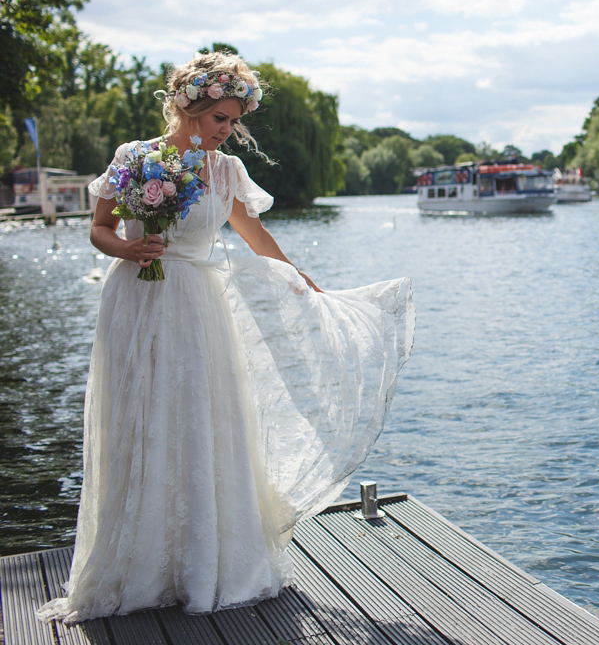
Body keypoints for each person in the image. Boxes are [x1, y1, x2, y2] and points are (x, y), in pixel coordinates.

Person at [38, 51, 414, 623]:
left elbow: (249, 230)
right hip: (136, 298)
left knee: (199, 416)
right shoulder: (133, 158)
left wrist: (298, 279)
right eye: (222, 119)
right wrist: (130, 248)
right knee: (138, 417)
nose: (229, 131)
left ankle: (203, 559)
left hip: (196, 303)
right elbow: (100, 228)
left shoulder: (225, 171)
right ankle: (136, 563)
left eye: (236, 121)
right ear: (190, 107)